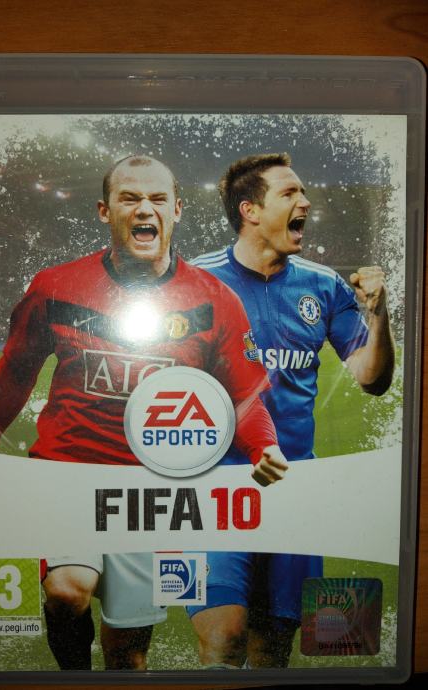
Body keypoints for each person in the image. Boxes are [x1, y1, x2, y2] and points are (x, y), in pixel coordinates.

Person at [0, 154, 287, 671]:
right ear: (104, 211)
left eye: (157, 199)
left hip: (154, 493)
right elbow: (14, 376)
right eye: (129, 198)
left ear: (176, 210)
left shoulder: (214, 300)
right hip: (68, 475)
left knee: (128, 655)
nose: (144, 209)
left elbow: (244, 397)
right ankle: (74, 679)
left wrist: (263, 445)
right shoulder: (55, 286)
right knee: (67, 591)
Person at [188, 152, 395, 668]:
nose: (305, 202)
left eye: (303, 192)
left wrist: (378, 315)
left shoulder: (323, 285)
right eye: (289, 193)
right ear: (250, 210)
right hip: (214, 488)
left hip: (295, 489)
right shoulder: (194, 282)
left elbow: (371, 378)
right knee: (224, 634)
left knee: (273, 646)